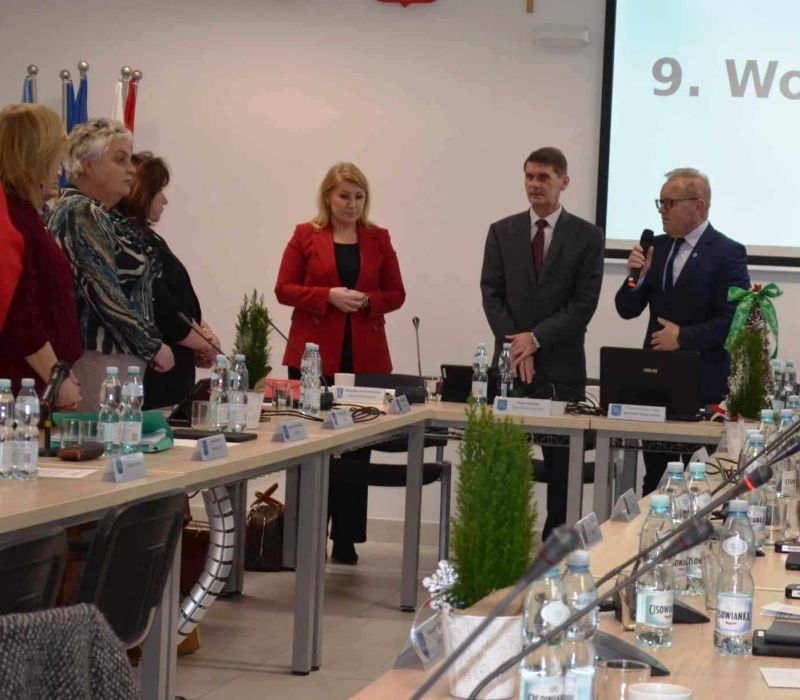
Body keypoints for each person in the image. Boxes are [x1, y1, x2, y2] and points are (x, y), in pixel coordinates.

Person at [275, 162, 406, 564]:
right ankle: (306, 535)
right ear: (328, 198)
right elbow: (283, 289)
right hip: (313, 356)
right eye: (344, 196)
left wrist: (367, 301)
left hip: (364, 356)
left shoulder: (379, 238)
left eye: (359, 196)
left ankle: (346, 539)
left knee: (355, 447)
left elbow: (397, 294)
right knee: (311, 444)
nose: (352, 204)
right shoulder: (305, 234)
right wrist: (326, 296)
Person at [480, 147, 604, 538]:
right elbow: (491, 295)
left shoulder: (587, 237)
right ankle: (504, 544)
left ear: (563, 182)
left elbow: (583, 304)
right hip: (510, 368)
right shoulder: (501, 231)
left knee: (562, 471)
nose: (534, 184)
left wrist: (536, 339)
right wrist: (517, 347)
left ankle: (558, 549)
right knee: (503, 465)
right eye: (529, 176)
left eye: (543, 177)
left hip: (561, 369)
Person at [615, 167, 749, 494]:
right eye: (660, 203)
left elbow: (734, 319)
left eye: (669, 203)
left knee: (702, 486)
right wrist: (636, 278)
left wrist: (683, 338)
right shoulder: (656, 248)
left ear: (698, 205)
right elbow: (626, 309)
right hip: (655, 387)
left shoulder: (727, 252)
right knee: (655, 483)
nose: (662, 211)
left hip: (703, 388)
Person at [49, 119, 174, 411]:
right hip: (96, 358)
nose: (132, 169)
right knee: (105, 438)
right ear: (88, 165)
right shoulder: (80, 211)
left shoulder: (103, 214)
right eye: (120, 160)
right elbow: (103, 290)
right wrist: (151, 344)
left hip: (117, 359)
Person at [116, 152, 218, 409]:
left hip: (175, 365)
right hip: (157, 369)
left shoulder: (148, 237)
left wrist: (203, 334)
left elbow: (180, 301)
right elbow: (162, 307)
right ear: (143, 193)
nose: (165, 199)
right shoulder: (132, 239)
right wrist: (204, 344)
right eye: (159, 191)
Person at [0, 103, 82, 406]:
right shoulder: (13, 218)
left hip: (41, 379)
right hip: (22, 386)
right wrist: (56, 378)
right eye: (55, 159)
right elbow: (20, 314)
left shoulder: (28, 215)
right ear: (34, 158)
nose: (60, 170)